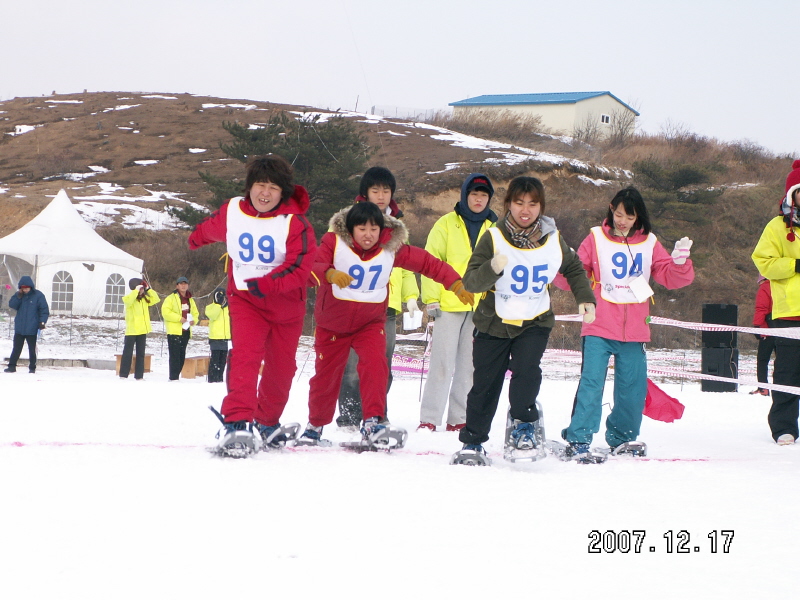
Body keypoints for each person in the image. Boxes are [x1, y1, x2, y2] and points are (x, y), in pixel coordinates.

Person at [300, 201, 473, 445]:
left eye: (374, 229)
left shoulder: (390, 248)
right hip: (332, 325)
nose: (368, 235)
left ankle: (372, 422)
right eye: (362, 229)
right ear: (350, 230)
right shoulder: (334, 242)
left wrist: (454, 283)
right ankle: (315, 427)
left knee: (375, 369)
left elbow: (426, 262)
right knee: (325, 378)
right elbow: (311, 268)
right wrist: (328, 273)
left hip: (369, 324)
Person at [454, 176, 596, 464]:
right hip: (493, 323)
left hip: (535, 322)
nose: (525, 210)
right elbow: (470, 282)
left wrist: (586, 298)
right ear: (508, 205)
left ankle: (523, 424)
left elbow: (574, 268)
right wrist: (492, 268)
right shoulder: (493, 237)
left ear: (541, 207)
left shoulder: (553, 238)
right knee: (485, 384)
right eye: (519, 203)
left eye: (532, 204)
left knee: (526, 371)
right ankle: (473, 441)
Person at [188, 155, 317, 456]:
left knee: (282, 369)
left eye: (273, 188)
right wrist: (196, 238)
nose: (265, 193)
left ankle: (267, 421)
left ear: (282, 193)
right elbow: (209, 228)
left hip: (286, 306)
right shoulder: (233, 211)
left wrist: (269, 283)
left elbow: (300, 267)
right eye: (260, 185)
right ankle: (237, 422)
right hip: (246, 300)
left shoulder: (295, 224)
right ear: (250, 187)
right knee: (245, 356)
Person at [560, 187, 694, 461]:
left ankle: (622, 437)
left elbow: (669, 276)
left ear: (638, 218)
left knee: (633, 389)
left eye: (628, 217)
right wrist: (564, 262)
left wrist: (679, 263)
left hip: (634, 330)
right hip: (599, 325)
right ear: (611, 209)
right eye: (618, 214)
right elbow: (573, 275)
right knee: (591, 384)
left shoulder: (649, 242)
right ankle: (579, 438)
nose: (622, 221)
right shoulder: (596, 237)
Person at [335, 167, 420, 429]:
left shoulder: (397, 226)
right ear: (365, 193)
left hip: (388, 306)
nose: (381, 196)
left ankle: (376, 413)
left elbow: (403, 266)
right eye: (375, 190)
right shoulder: (348, 222)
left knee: (382, 365)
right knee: (351, 366)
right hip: (354, 304)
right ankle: (350, 415)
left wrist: (411, 297)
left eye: (386, 190)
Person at [418, 173, 498, 432]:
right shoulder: (445, 224)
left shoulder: (494, 229)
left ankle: (458, 418)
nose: (478, 199)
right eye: (474, 194)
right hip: (448, 304)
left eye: (483, 195)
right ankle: (429, 417)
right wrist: (431, 301)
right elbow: (431, 261)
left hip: (480, 307)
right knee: (441, 363)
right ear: (465, 195)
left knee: (468, 366)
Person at [752, 159, 800, 446]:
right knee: (787, 373)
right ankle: (784, 427)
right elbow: (763, 261)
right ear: (791, 194)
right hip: (788, 313)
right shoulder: (776, 226)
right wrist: (795, 266)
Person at [5, 275, 49, 374]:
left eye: (27, 288)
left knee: (32, 349)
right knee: (16, 348)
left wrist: (42, 322)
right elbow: (12, 305)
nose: (25, 290)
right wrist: (18, 296)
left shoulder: (38, 295)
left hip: (32, 327)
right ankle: (12, 366)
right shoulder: (19, 296)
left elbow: (44, 310)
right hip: (20, 327)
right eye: (23, 288)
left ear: (31, 287)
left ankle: (32, 368)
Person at [119, 277, 160, 380]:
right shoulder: (129, 298)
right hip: (132, 331)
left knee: (141, 354)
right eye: (140, 288)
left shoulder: (144, 300)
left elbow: (156, 299)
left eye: (142, 288)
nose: (142, 290)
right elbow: (128, 301)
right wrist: (136, 290)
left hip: (142, 330)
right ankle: (123, 375)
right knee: (127, 353)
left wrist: (148, 289)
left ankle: (139, 376)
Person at [161, 276, 199, 381]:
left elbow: (195, 313)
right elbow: (166, 312)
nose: (183, 285)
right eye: (181, 284)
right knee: (174, 356)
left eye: (185, 283)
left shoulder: (190, 299)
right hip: (174, 332)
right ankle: (173, 378)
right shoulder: (170, 298)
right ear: (177, 286)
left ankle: (176, 376)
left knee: (182, 356)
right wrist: (179, 318)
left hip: (185, 331)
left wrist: (194, 320)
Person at [751, 275, 775, 396]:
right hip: (785, 328)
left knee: (762, 359)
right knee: (782, 361)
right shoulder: (782, 285)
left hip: (768, 329)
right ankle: (781, 388)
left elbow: (761, 308)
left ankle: (763, 388)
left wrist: (757, 326)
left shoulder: (765, 287)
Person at [205, 287, 231, 383]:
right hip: (215, 337)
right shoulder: (211, 307)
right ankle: (212, 379)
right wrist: (218, 304)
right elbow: (213, 315)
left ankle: (219, 378)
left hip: (225, 337)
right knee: (215, 360)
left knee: (222, 361)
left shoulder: (228, 308)